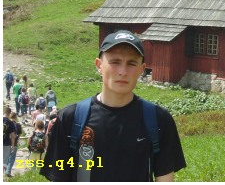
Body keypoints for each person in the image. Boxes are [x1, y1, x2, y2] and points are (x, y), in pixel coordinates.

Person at [40, 30, 186, 181]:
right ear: (99, 65)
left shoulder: (159, 120)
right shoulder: (70, 119)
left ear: (141, 69)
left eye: (131, 63)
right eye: (115, 62)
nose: (123, 71)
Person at [5, 112, 21, 177]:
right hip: (14, 143)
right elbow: (19, 135)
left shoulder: (6, 123)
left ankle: (5, 170)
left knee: (6, 157)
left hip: (6, 143)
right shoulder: (18, 125)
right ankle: (8, 172)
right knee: (12, 158)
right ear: (16, 117)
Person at [3, 106, 16, 176]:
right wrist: (13, 145)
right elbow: (13, 136)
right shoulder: (10, 123)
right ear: (9, 113)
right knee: (4, 160)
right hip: (6, 143)